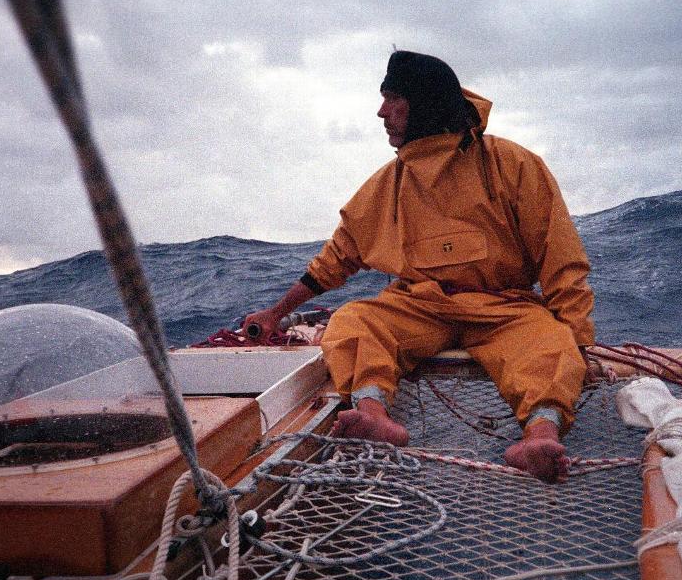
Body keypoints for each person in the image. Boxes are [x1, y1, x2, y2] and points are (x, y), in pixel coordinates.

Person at [244, 50, 597, 482]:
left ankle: (539, 438)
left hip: (504, 310)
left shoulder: (514, 165)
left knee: (551, 343)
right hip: (419, 307)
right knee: (354, 321)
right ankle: (373, 415)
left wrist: (577, 340)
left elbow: (560, 257)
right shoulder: (388, 182)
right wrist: (276, 313)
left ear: (424, 104)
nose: (381, 111)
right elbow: (336, 258)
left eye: (392, 99)